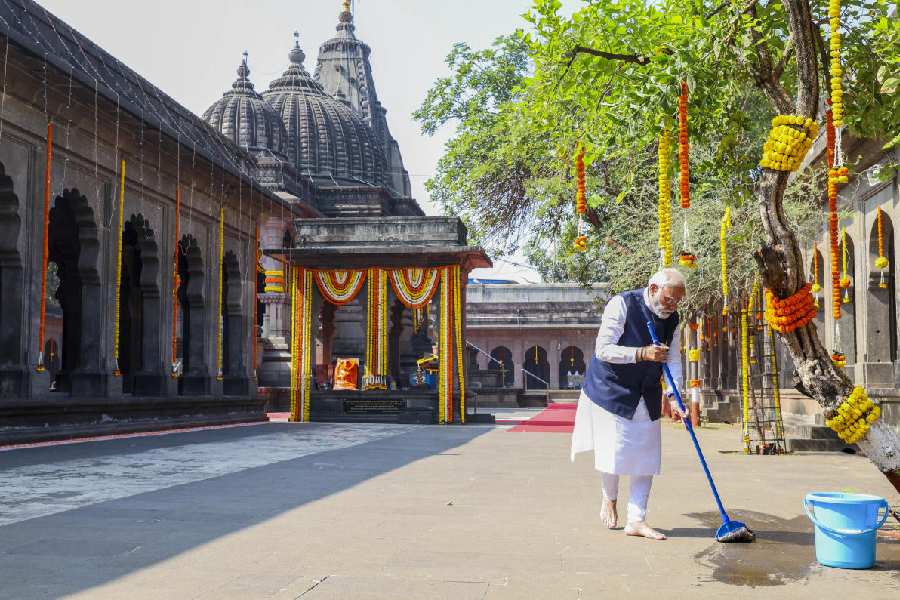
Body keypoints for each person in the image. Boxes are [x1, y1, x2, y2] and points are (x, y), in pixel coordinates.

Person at [570, 268, 687, 541]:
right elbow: (603, 349)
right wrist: (641, 353)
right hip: (611, 388)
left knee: (646, 457)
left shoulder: (673, 320)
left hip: (646, 388)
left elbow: (672, 359)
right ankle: (609, 497)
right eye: (669, 299)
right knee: (615, 452)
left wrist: (675, 396)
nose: (673, 305)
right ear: (654, 288)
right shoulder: (621, 304)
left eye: (678, 301)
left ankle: (637, 520)